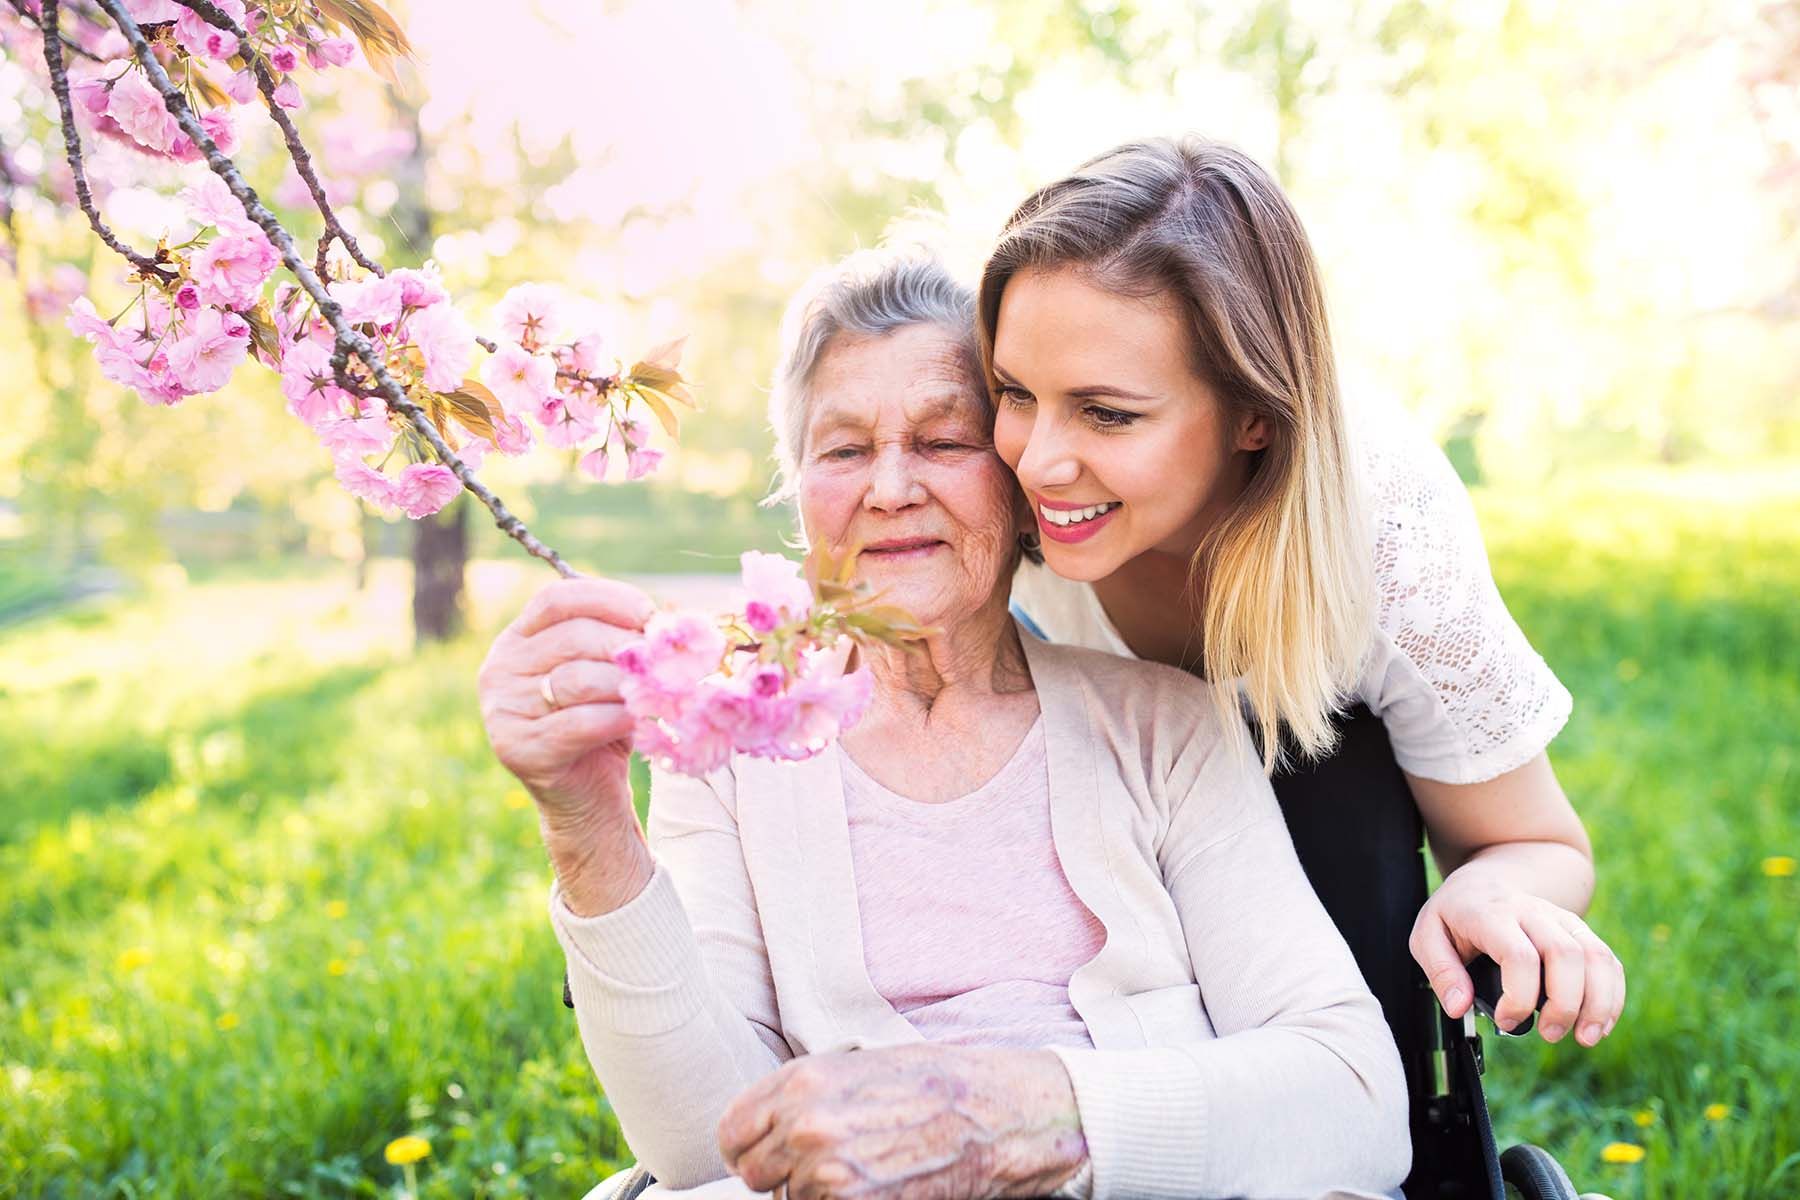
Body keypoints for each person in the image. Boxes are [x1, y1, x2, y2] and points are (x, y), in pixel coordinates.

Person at [478, 249, 1411, 1200]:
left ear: (1019, 491)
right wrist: (585, 818)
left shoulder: (1164, 729)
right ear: (802, 496)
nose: (888, 489)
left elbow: (1354, 1099)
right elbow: (702, 1149)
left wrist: (1039, 1121)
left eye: (942, 441)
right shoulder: (730, 757)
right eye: (842, 450)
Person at [981, 136, 1625, 1050]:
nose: (1037, 461)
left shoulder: (1388, 536)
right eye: (1014, 392)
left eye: (1109, 413)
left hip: (1311, 951)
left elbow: (1540, 846)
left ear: (1255, 411)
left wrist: (1489, 890)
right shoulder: (984, 485)